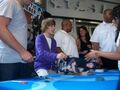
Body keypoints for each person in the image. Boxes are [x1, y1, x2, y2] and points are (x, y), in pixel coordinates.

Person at [0, 0, 34, 81]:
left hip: (18, 61)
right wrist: (23, 52)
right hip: (8, 62)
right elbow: (1, 28)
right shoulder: (10, 2)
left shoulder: (19, 7)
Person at [85, 5, 120, 70]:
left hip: (116, 56)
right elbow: (95, 43)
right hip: (104, 57)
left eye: (113, 14)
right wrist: (98, 57)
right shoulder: (98, 28)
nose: (112, 16)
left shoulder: (117, 26)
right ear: (104, 15)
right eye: (110, 14)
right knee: (108, 76)